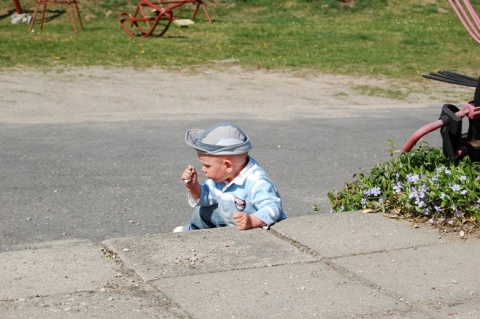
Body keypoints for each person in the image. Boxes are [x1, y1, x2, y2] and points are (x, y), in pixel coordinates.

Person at [173, 122, 286, 232]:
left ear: (227, 165)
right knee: (203, 210)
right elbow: (207, 195)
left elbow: (272, 207)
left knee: (212, 210)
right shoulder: (223, 177)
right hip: (229, 218)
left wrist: (252, 220)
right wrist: (193, 187)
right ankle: (194, 229)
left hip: (253, 227)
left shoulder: (257, 182)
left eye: (206, 165)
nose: (203, 169)